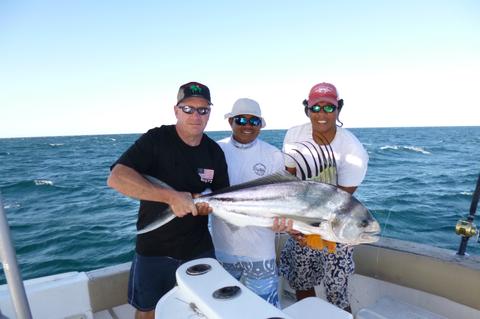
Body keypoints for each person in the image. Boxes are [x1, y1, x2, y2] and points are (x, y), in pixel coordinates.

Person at [107, 81, 229, 319]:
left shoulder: (214, 152)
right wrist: (171, 197)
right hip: (154, 248)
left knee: (205, 308)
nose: (196, 115)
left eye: (203, 110)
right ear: (176, 110)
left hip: (198, 247)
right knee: (147, 311)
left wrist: (204, 207)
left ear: (209, 113)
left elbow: (222, 198)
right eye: (188, 109)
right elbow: (117, 178)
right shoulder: (156, 139)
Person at [278, 82, 369, 312]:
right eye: (315, 107)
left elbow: (339, 201)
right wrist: (294, 226)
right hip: (300, 218)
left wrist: (314, 228)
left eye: (329, 108)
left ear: (339, 109)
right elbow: (288, 182)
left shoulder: (353, 150)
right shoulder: (294, 135)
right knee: (301, 283)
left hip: (335, 225)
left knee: (337, 293)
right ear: (306, 109)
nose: (321, 114)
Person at [211, 98, 285, 307]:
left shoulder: (273, 155)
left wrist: (285, 222)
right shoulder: (216, 150)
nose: (247, 125)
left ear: (261, 125)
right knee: (222, 308)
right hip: (222, 248)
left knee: (265, 309)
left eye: (254, 121)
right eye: (241, 119)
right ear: (230, 122)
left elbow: (281, 199)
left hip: (260, 251)